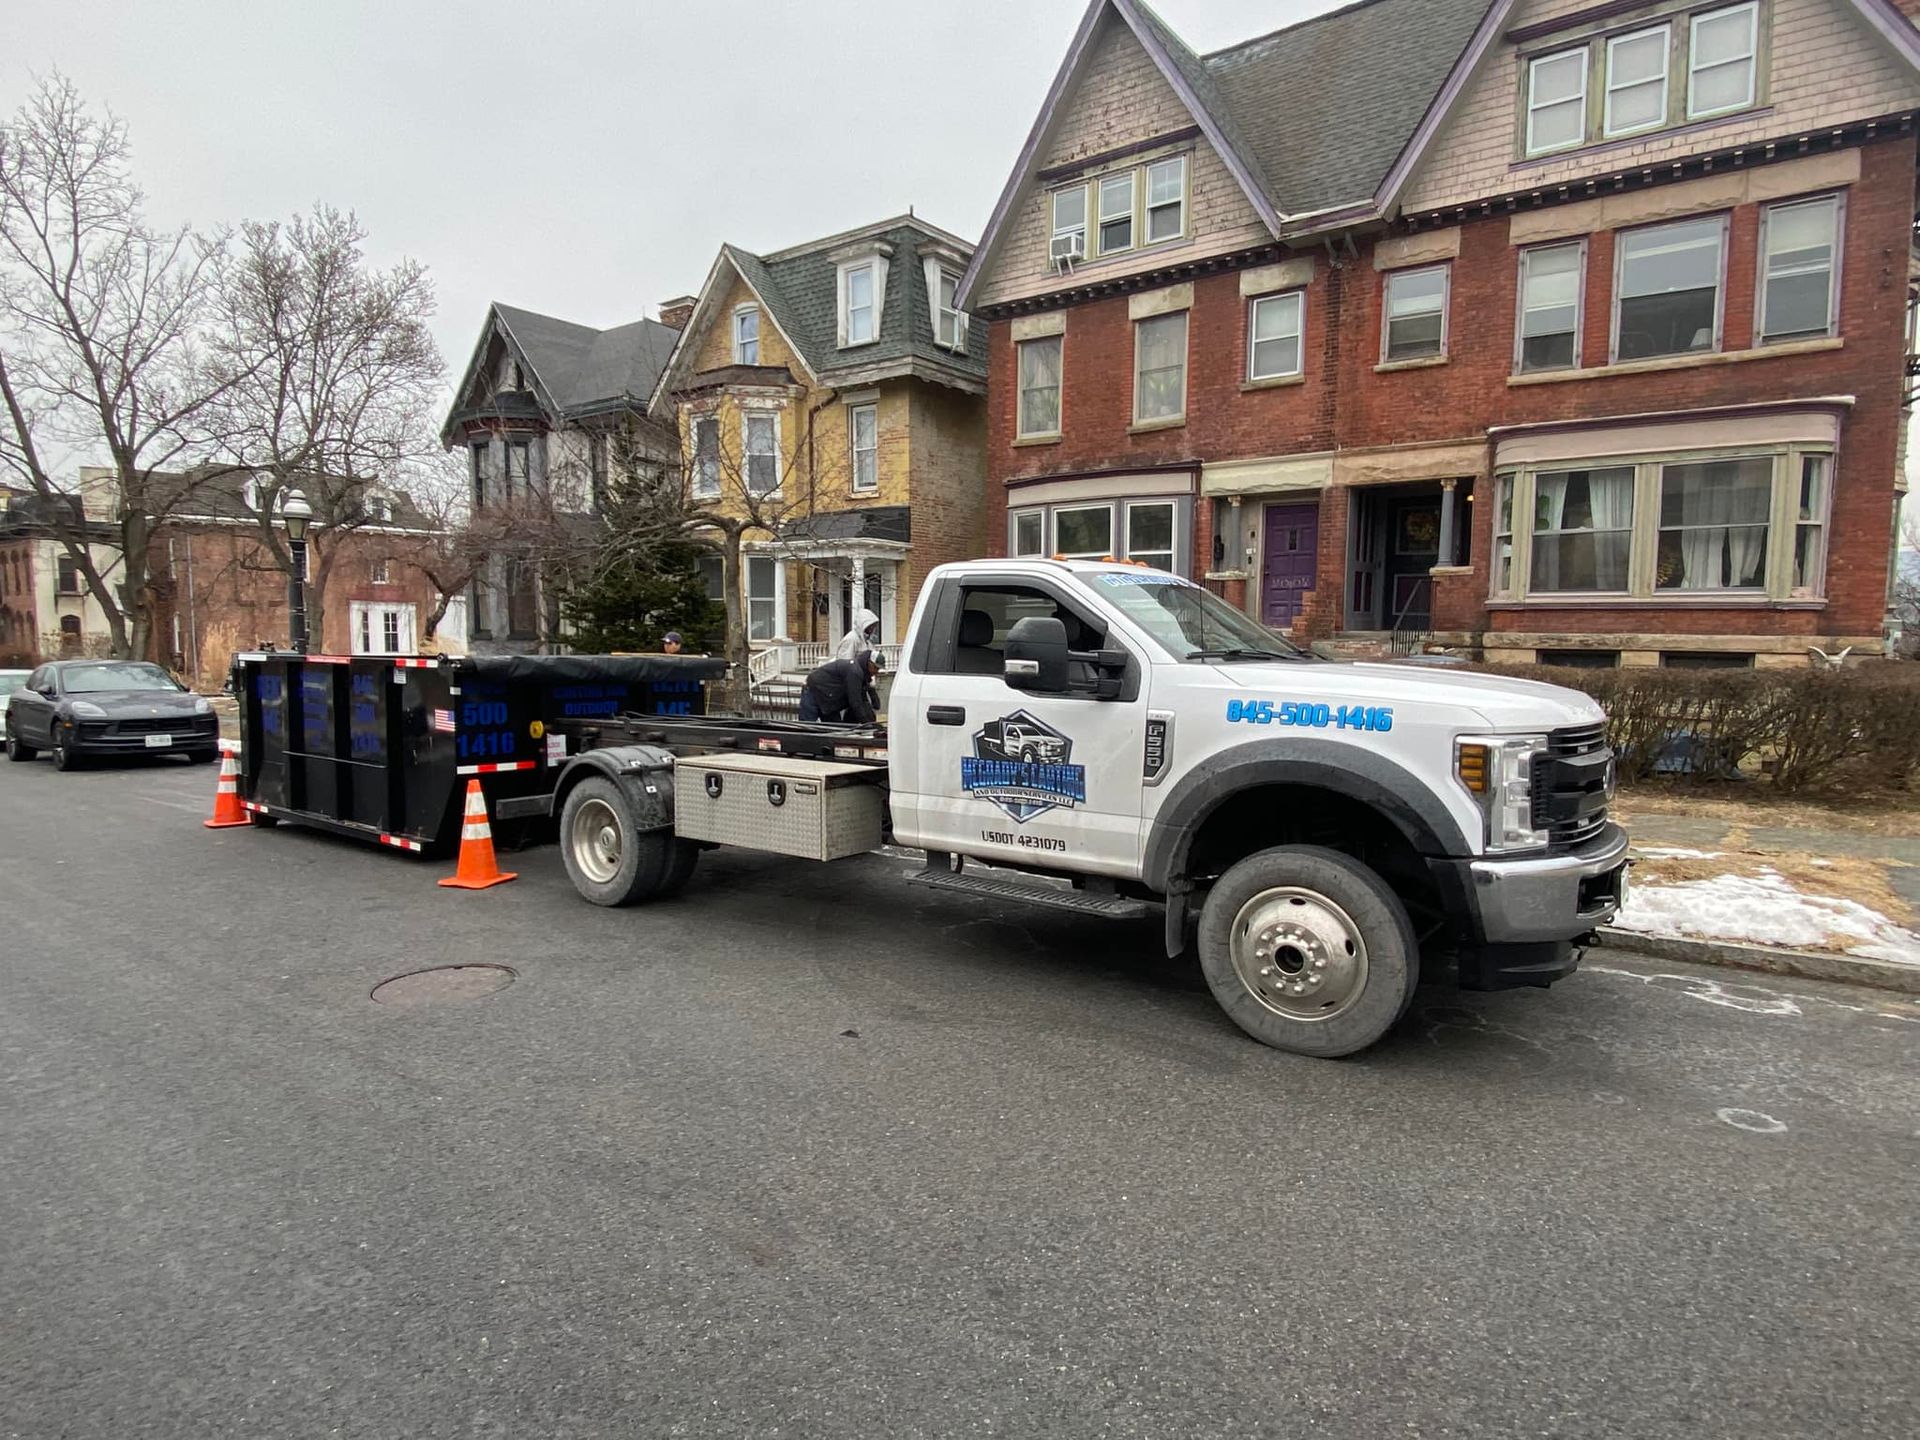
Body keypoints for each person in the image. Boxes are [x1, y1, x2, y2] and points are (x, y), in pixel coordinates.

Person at [799, 649, 880, 724]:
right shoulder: (854, 672)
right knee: (807, 728)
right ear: (869, 663)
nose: (876, 672)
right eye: (875, 668)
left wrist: (870, 721)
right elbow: (855, 701)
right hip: (813, 692)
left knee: (836, 731)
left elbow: (863, 701)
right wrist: (867, 723)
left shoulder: (862, 675)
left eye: (878, 669)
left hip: (829, 699)